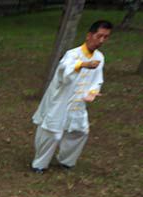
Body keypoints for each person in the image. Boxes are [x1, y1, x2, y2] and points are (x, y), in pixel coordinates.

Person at [31, 21, 111, 172]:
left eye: (106, 37)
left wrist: (92, 92)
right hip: (61, 101)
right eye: (99, 36)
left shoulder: (100, 57)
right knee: (52, 133)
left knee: (79, 132)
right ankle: (39, 164)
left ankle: (66, 161)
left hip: (78, 103)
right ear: (89, 35)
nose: (101, 40)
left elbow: (97, 80)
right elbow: (64, 70)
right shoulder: (73, 54)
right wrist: (81, 65)